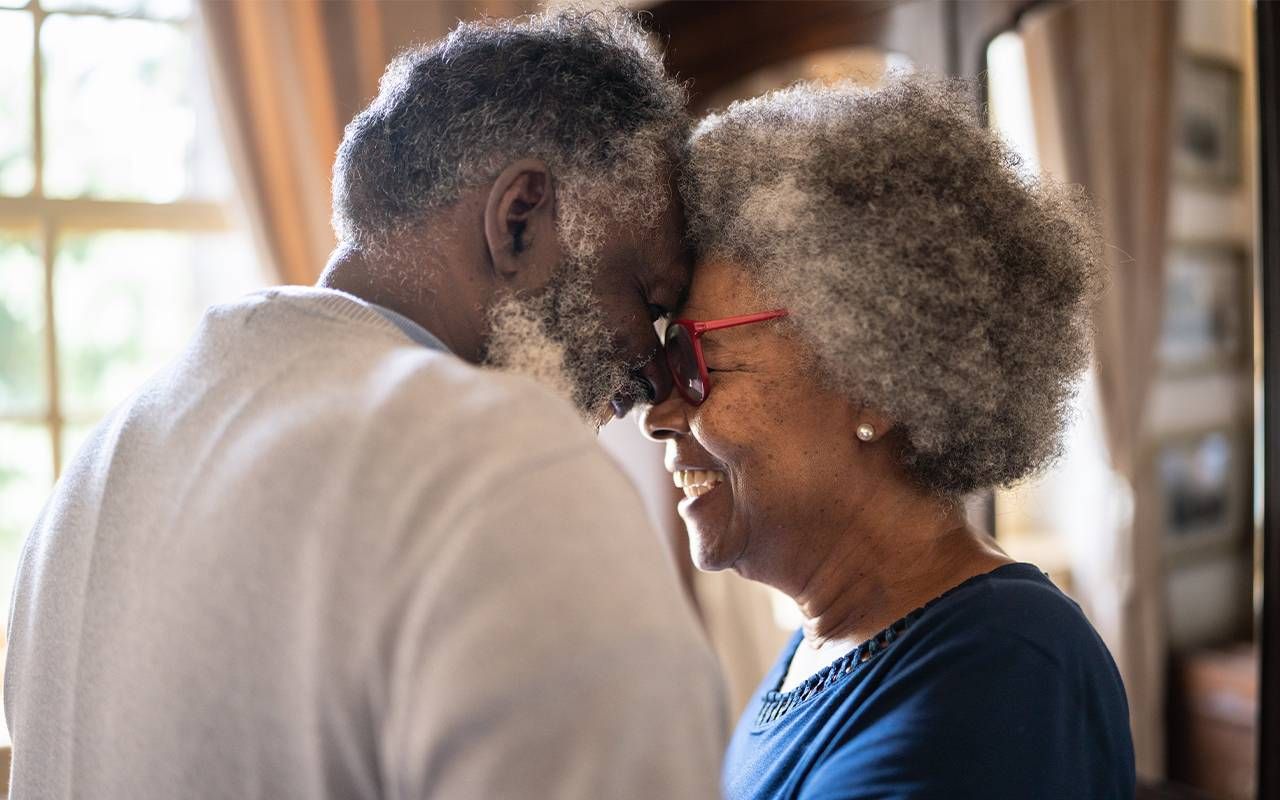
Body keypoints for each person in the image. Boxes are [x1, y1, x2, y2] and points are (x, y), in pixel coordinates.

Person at [5, 10, 725, 799]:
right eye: (646, 298)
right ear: (520, 220)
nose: (656, 371)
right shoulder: (497, 465)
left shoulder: (97, 475)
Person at [642, 76, 1135, 799]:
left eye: (691, 358)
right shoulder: (825, 648)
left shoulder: (999, 670)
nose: (656, 412)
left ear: (873, 379)